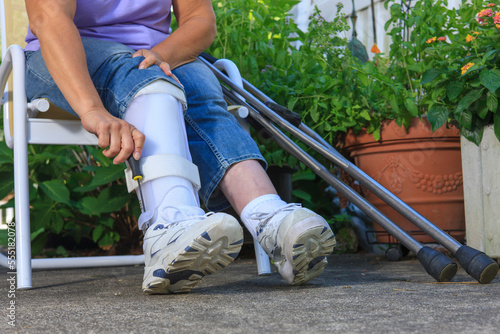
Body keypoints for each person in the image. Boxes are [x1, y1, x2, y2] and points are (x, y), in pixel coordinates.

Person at [24, 0, 336, 294]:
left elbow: (200, 19)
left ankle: (269, 219)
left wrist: (159, 55)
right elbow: (48, 17)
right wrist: (92, 109)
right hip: (64, 54)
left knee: (202, 96)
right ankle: (168, 226)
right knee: (148, 81)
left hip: (152, 53)